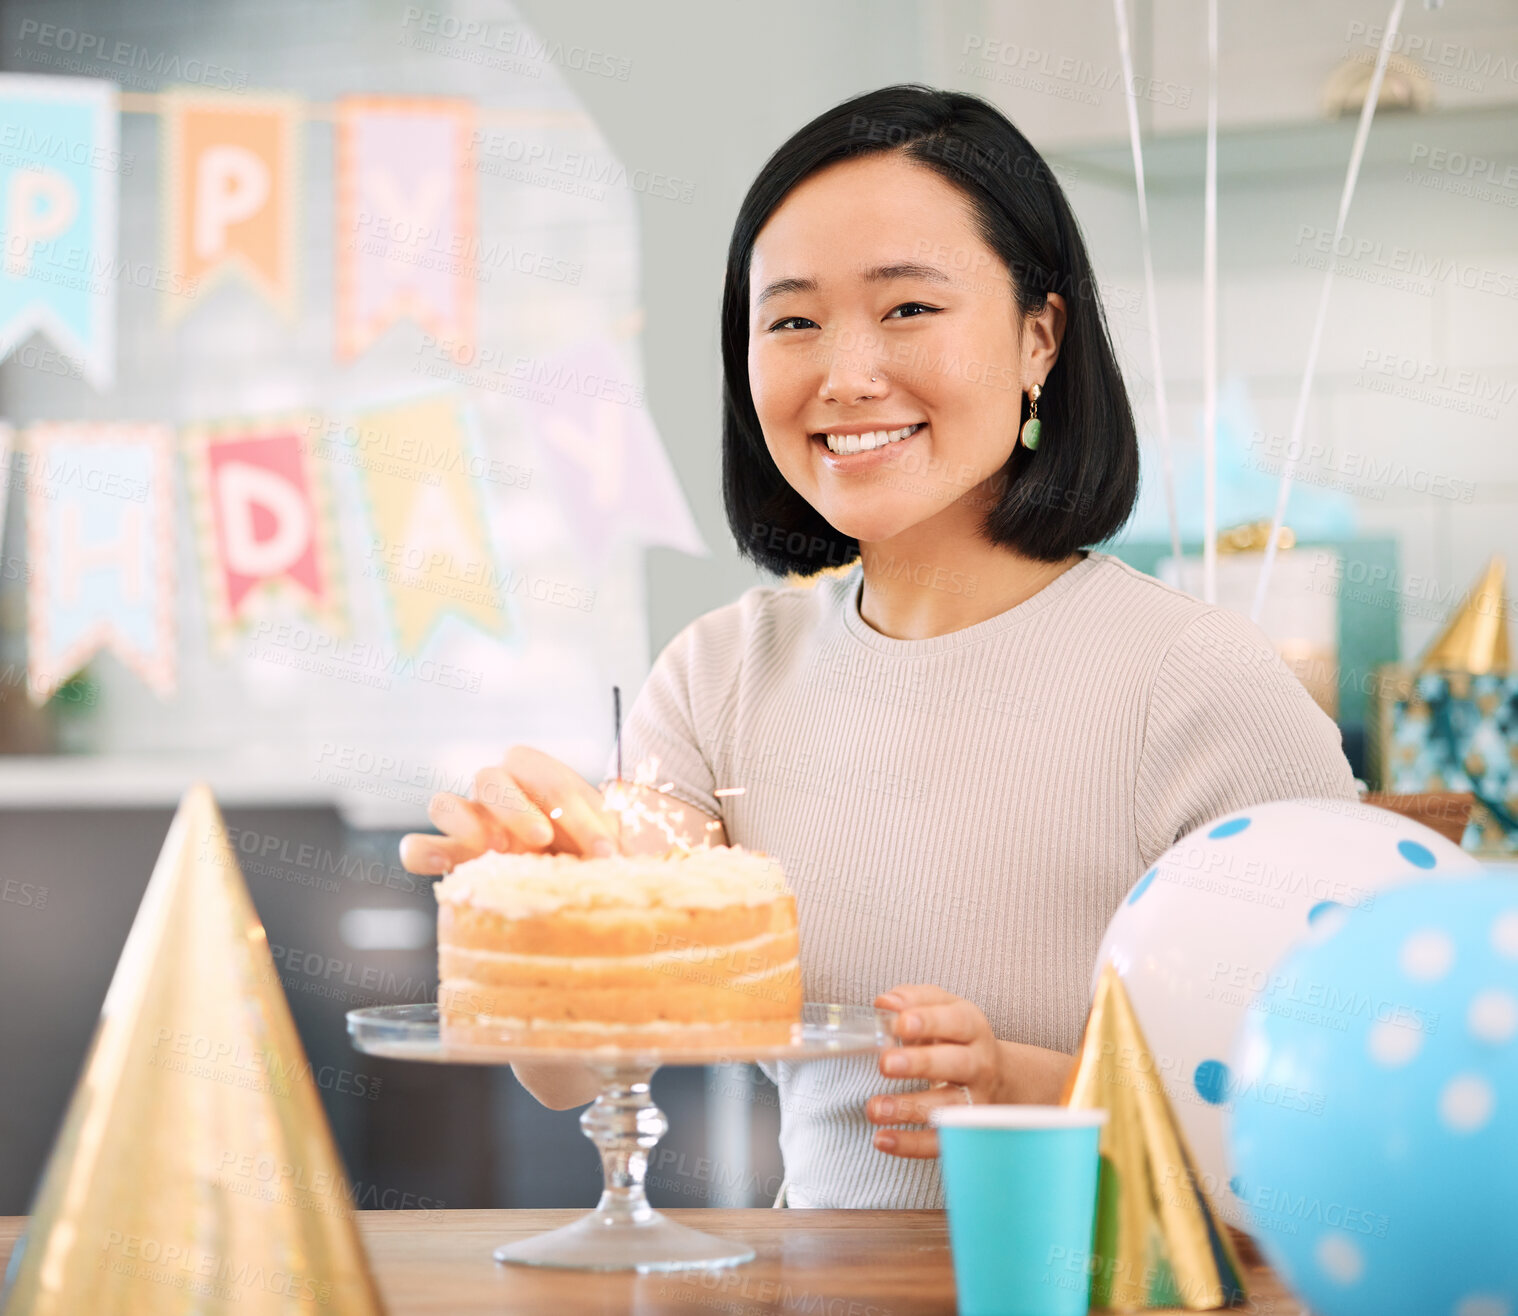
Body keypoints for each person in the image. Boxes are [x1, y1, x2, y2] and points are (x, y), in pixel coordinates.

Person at [400, 84, 1357, 1210]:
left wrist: (1037, 1091)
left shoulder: (1197, 682)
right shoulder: (719, 679)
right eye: (793, 320)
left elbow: (1347, 1097)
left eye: (907, 308)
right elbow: (574, 1067)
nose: (845, 374)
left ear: (1040, 335)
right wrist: (549, 905)